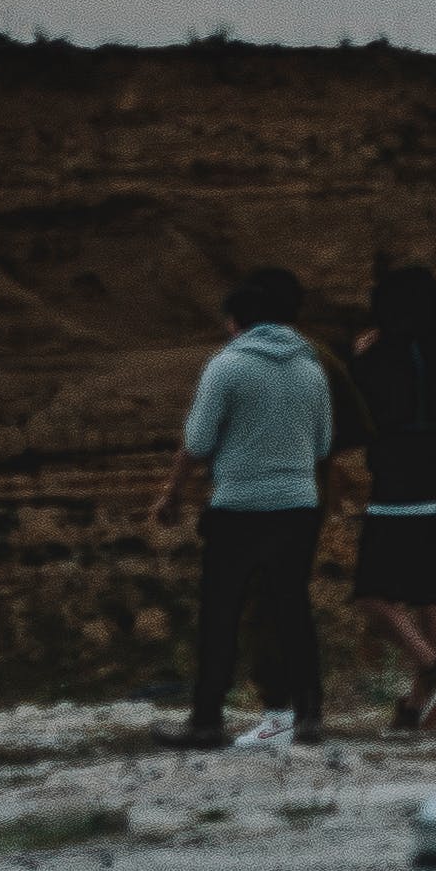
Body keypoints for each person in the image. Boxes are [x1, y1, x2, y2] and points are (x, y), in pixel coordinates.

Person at [162, 264, 340, 753]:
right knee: (293, 610)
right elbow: (324, 443)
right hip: (299, 505)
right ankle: (309, 715)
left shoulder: (226, 366)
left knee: (221, 613)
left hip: (238, 507)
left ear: (237, 321)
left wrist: (172, 494)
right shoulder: (311, 369)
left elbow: (197, 440)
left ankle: (206, 720)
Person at [348, 242, 436, 738]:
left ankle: (432, 667)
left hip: (401, 487)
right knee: (433, 597)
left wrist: (360, 359)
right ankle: (417, 711)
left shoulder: (379, 355)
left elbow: (363, 416)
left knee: (372, 594)